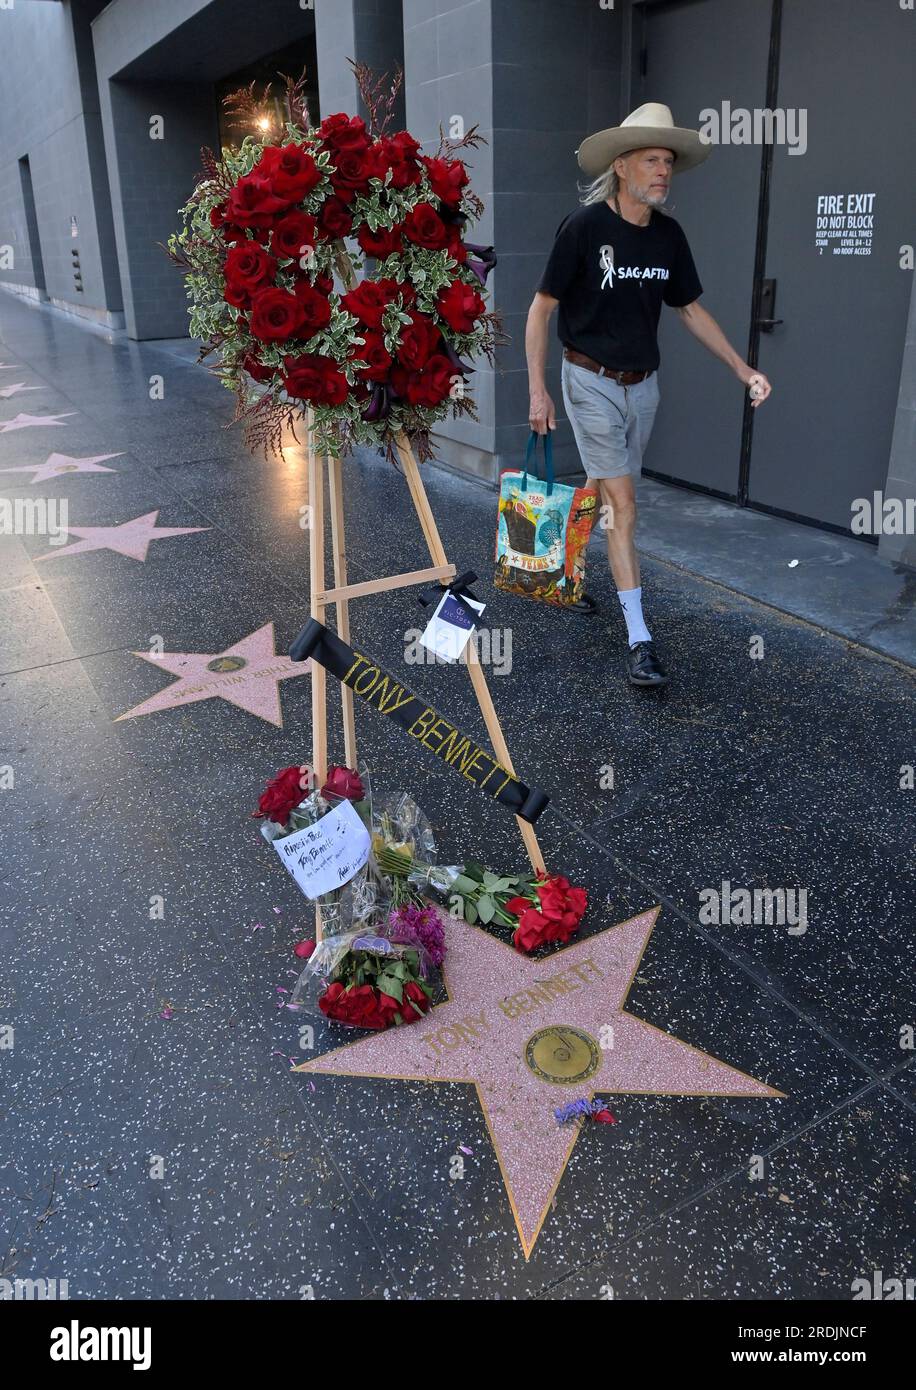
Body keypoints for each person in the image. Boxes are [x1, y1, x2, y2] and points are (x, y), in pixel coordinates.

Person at [526, 103, 772, 688]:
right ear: (621, 166)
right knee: (625, 506)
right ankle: (639, 638)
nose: (663, 171)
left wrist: (742, 368)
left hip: (644, 388)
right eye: (651, 160)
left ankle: (566, 572)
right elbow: (541, 309)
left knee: (599, 485)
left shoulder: (668, 237)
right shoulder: (583, 227)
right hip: (588, 379)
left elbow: (690, 309)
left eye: (668, 162)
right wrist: (538, 389)